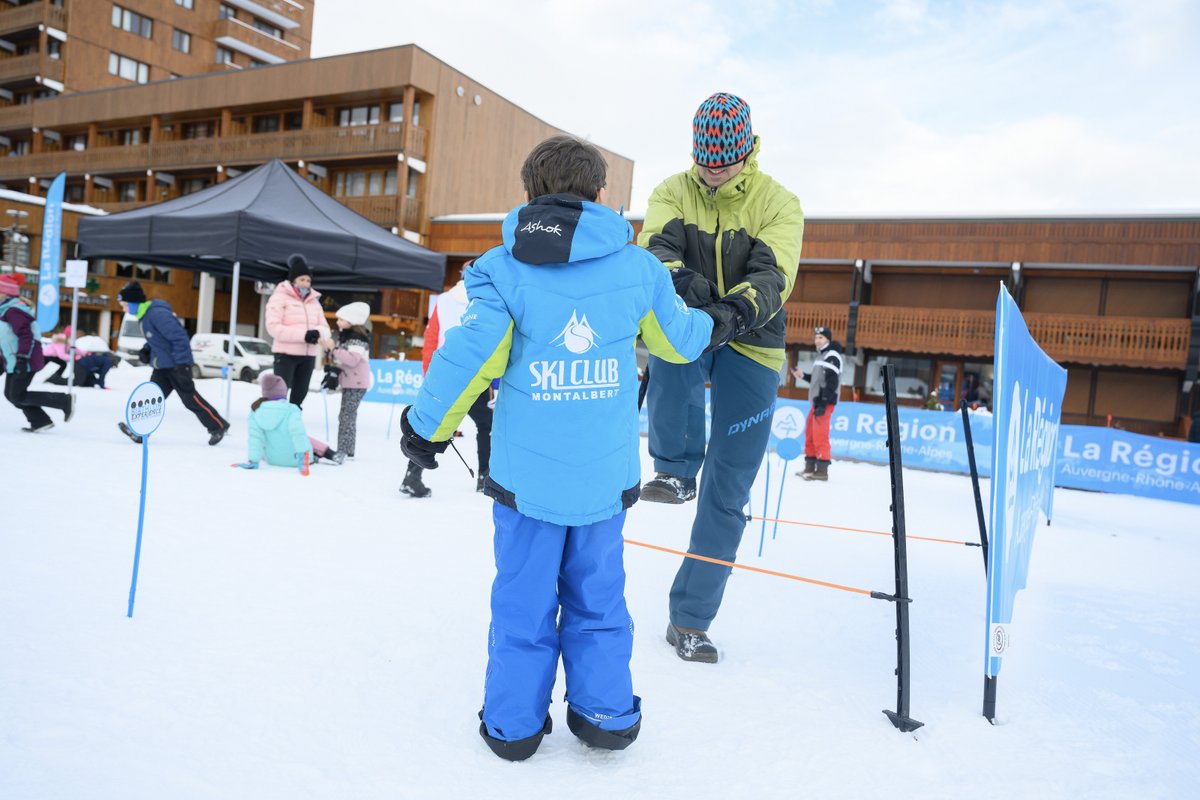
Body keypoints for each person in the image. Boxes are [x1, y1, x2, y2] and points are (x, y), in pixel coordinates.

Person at [398, 134, 741, 761]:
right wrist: (727, 317)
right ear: (601, 193)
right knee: (599, 598)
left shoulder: (501, 269)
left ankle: (514, 726)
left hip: (526, 483)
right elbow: (679, 341)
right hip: (603, 482)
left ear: (531, 195)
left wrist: (425, 429)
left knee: (523, 602)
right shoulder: (638, 268)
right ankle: (606, 716)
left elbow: (474, 354)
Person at [638, 92, 804, 663]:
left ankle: (690, 619)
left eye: (724, 162)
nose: (713, 172)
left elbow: (773, 275)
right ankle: (675, 466)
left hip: (752, 339)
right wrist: (691, 293)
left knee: (729, 486)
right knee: (670, 347)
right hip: (691, 321)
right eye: (704, 162)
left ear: (746, 149)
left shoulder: (778, 202)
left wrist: (730, 313)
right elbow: (655, 253)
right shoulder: (670, 191)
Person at [401, 276, 494, 498]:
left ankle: (412, 477)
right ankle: (484, 476)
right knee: (486, 425)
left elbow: (431, 336)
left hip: (445, 369)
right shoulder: (488, 297)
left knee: (430, 425)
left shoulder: (444, 300)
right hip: (475, 370)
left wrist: (429, 373)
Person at [115, 280, 229, 445]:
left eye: (125, 305)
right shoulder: (145, 315)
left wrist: (182, 364)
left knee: (190, 399)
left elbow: (179, 338)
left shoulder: (157, 314)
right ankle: (139, 431)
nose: (124, 309)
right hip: (162, 366)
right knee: (151, 398)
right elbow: (159, 339)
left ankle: (218, 426)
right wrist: (147, 350)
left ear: (134, 302)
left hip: (176, 365)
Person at [0, 273, 74, 432]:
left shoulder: (14, 311)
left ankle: (63, 401)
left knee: (16, 395)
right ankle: (40, 421)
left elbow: (25, 336)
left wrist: (22, 358)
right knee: (11, 394)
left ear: (4, 293)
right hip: (14, 361)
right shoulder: (5, 311)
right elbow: (6, 340)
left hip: (25, 360)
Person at [232, 374, 345, 471]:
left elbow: (255, 438)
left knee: (270, 438)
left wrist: (253, 461)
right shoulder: (291, 409)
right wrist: (302, 458)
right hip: (296, 459)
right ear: (284, 392)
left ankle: (318, 455)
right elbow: (298, 434)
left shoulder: (256, 411)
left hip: (272, 459)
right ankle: (329, 453)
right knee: (305, 438)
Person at [265, 253, 334, 408]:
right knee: (279, 394)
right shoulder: (279, 298)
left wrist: (318, 333)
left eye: (308, 280)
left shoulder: (314, 302)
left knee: (300, 395)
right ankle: (277, 425)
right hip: (285, 355)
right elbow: (273, 327)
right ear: (293, 280)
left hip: (308, 356)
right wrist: (303, 335)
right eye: (302, 279)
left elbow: (325, 327)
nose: (305, 283)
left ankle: (293, 425)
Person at [792, 326, 843, 481]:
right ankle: (810, 467)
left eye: (821, 337)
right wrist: (803, 376)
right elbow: (817, 380)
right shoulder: (821, 356)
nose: (817, 340)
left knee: (820, 436)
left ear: (828, 339)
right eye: (816, 337)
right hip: (817, 402)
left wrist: (823, 403)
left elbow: (832, 382)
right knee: (810, 434)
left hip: (824, 402)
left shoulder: (832, 355)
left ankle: (822, 471)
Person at [324, 301, 372, 459]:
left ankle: (345, 450)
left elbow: (352, 360)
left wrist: (334, 349)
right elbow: (342, 359)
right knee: (346, 415)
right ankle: (345, 448)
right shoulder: (346, 337)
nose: (338, 322)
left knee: (347, 416)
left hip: (356, 383)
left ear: (351, 321)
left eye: (341, 319)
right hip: (351, 381)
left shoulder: (357, 339)